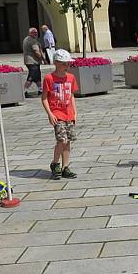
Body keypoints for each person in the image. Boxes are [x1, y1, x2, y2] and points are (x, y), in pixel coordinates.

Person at [41, 49, 79, 180]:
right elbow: (44, 98)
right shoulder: (49, 78)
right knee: (61, 140)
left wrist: (75, 112)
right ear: (56, 63)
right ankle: (55, 163)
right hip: (57, 113)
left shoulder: (71, 78)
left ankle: (65, 167)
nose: (67, 66)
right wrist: (50, 114)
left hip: (69, 113)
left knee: (68, 141)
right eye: (64, 64)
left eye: (68, 64)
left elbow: (72, 95)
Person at [23, 27, 43, 97]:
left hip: (29, 61)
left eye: (36, 32)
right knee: (31, 77)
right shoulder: (32, 40)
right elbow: (36, 51)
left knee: (37, 76)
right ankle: (24, 91)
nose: (36, 33)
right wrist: (42, 58)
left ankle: (40, 90)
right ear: (30, 33)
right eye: (34, 32)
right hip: (33, 61)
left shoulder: (26, 39)